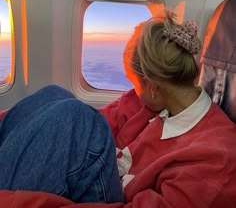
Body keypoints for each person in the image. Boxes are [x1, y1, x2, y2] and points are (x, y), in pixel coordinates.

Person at [0, 12, 236, 208]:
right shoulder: (153, 102)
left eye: (134, 83)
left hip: (122, 201)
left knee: (75, 117)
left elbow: (83, 125)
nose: (132, 92)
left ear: (153, 86)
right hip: (108, 175)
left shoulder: (215, 162)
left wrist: (13, 201)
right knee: (56, 95)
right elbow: (96, 121)